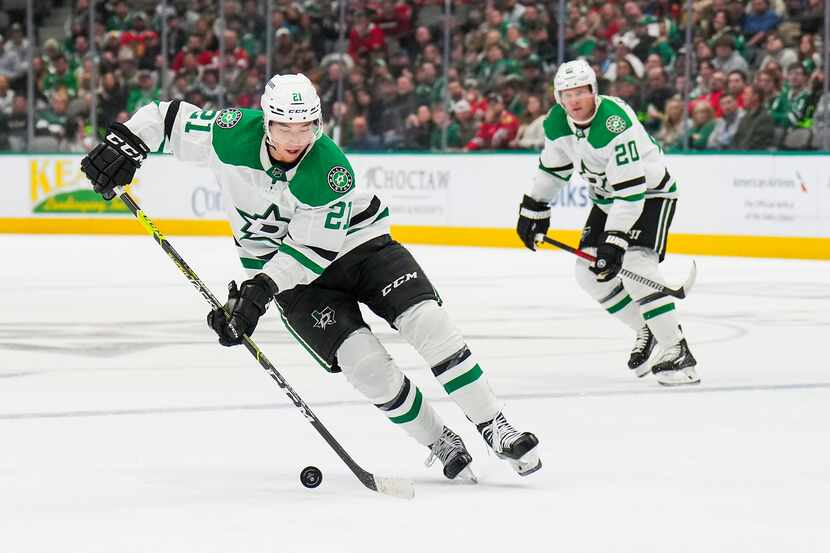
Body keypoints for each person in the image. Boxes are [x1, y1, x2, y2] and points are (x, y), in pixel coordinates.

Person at [80, 73, 541, 481]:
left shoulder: (329, 169)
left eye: (306, 127)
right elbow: (167, 118)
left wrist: (258, 291)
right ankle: (440, 441)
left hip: (360, 248)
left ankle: (495, 425)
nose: (296, 138)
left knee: (429, 325)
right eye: (284, 127)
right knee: (365, 367)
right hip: (291, 281)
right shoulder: (230, 134)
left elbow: (312, 249)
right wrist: (123, 144)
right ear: (266, 121)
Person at [515, 60, 700, 386]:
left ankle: (676, 349)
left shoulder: (614, 123)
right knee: (588, 273)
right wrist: (534, 207)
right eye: (567, 94)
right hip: (608, 199)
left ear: (593, 91)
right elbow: (553, 167)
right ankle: (648, 327)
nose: (574, 100)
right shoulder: (557, 121)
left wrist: (615, 240)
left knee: (636, 264)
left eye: (581, 92)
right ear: (559, 97)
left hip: (650, 195)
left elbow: (630, 192)